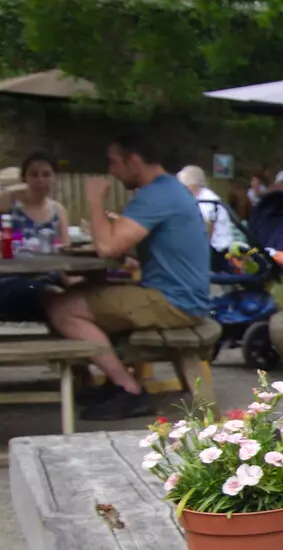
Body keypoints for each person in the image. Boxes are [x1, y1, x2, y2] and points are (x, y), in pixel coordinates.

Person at [43, 133, 212, 421]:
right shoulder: (169, 189)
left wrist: (95, 201)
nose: (111, 170)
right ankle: (111, 382)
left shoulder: (154, 195)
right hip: (181, 295)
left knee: (62, 308)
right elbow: (127, 244)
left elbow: (108, 247)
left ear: (134, 161)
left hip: (174, 301)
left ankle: (129, 389)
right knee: (87, 292)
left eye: (114, 162)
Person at [0, 152, 71, 320]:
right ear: (24, 178)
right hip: (12, 280)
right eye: (34, 174)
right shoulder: (8, 207)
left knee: (78, 295)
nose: (40, 180)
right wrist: (13, 189)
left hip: (50, 278)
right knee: (50, 295)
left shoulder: (58, 210)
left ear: (55, 178)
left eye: (46, 175)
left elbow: (66, 254)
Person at [176, 164, 238, 271]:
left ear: (191, 185)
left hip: (218, 249)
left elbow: (207, 229)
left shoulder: (207, 200)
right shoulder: (197, 198)